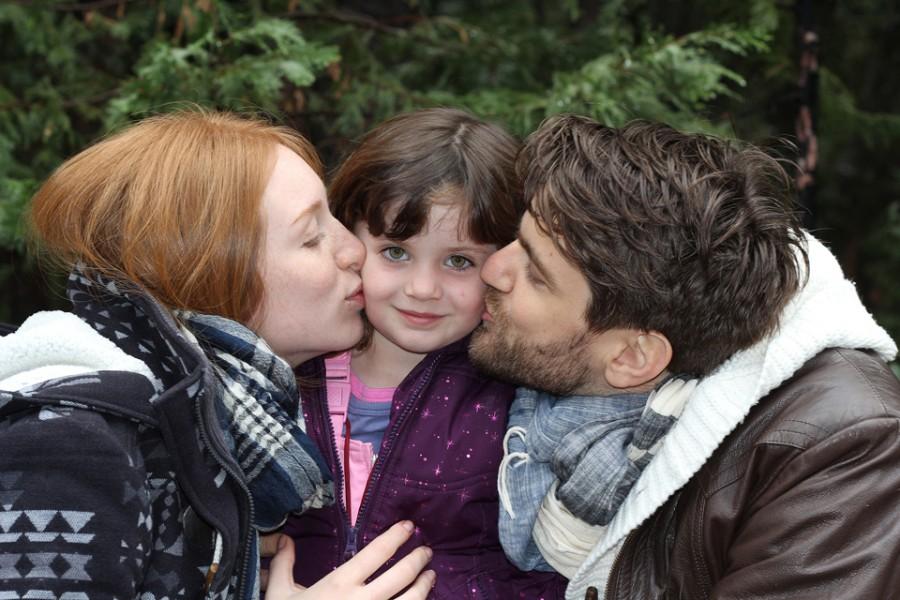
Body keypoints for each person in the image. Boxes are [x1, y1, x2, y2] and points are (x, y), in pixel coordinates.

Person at [0, 110, 435, 600]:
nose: (354, 249)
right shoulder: (69, 437)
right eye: (312, 236)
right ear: (206, 270)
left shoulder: (216, 427)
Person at [468, 115, 900, 599]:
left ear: (634, 357)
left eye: (537, 275)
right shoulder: (580, 380)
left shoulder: (843, 453)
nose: (492, 268)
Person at [283, 108, 568, 598]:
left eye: (459, 261)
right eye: (396, 251)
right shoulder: (287, 370)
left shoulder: (521, 396)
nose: (421, 288)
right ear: (348, 238)